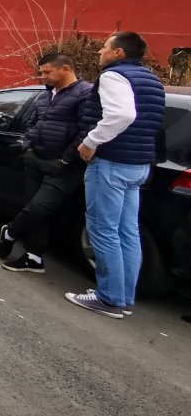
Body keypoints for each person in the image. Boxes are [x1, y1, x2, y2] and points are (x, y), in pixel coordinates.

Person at [65, 32, 165, 319]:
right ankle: (123, 296)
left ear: (119, 52)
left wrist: (91, 141)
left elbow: (121, 115)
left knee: (103, 229)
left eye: (105, 47)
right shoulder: (152, 80)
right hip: (138, 164)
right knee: (127, 231)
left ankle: (108, 298)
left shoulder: (114, 76)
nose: (100, 52)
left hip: (111, 162)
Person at [0, 53, 92, 273]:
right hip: (35, 159)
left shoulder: (85, 94)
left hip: (64, 166)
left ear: (66, 68)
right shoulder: (45, 95)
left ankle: (10, 232)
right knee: (34, 208)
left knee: (39, 207)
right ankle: (34, 256)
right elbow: (32, 124)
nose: (43, 77)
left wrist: (65, 159)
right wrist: (28, 149)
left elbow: (85, 131)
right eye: (42, 72)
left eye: (47, 72)